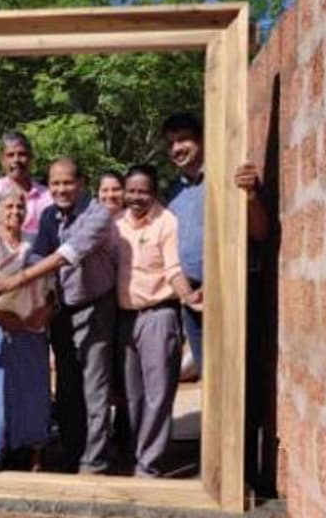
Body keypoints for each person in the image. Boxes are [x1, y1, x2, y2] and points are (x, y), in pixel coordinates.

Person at [0, 156, 118, 474]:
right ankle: (72, 454)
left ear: (82, 183)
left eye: (68, 182)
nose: (61, 189)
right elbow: (36, 261)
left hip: (94, 307)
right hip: (60, 311)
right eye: (55, 183)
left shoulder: (97, 214)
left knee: (94, 387)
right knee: (68, 388)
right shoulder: (48, 216)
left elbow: (67, 255)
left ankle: (95, 462)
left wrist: (15, 281)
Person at [161, 113, 268, 377]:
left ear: (202, 139)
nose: (176, 148)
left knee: (237, 376)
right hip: (192, 298)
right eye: (171, 143)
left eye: (183, 139)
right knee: (208, 373)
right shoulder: (173, 193)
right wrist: (186, 293)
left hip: (231, 289)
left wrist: (250, 194)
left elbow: (260, 232)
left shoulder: (231, 178)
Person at [114, 164, 196, 477]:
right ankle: (135, 454)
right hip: (124, 319)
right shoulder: (115, 223)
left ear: (154, 193)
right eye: (131, 191)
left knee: (158, 393)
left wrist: (188, 296)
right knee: (132, 395)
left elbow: (174, 269)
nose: (136, 197)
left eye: (143, 191)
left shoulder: (167, 222)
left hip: (158, 316)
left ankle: (148, 465)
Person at [0, 187, 52, 471]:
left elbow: (48, 285)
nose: (15, 212)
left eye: (20, 207)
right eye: (8, 207)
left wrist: (42, 312)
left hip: (33, 328)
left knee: (34, 392)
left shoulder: (34, 244)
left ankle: (35, 454)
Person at [0, 131, 53, 234]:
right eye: (10, 155)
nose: (16, 160)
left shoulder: (47, 197)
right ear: (2, 160)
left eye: (22, 154)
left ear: (31, 158)